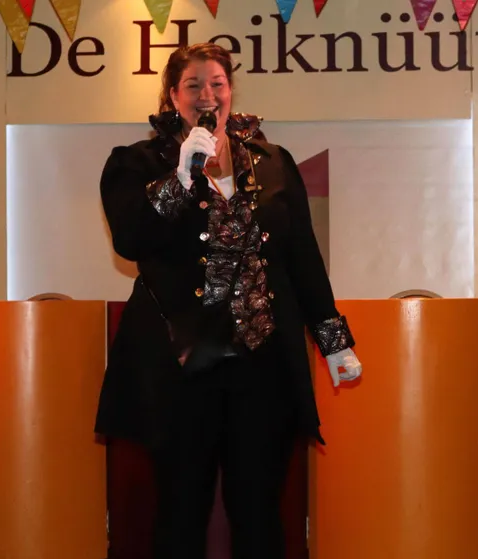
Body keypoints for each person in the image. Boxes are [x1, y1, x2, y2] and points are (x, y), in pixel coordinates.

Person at [95, 42, 363, 559]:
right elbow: (130, 238)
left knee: (259, 509)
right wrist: (179, 178)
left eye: (216, 83)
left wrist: (334, 341)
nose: (207, 95)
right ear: (173, 95)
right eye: (193, 85)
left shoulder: (273, 162)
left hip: (262, 363)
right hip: (180, 364)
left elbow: (302, 257)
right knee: (181, 508)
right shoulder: (136, 163)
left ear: (230, 90)